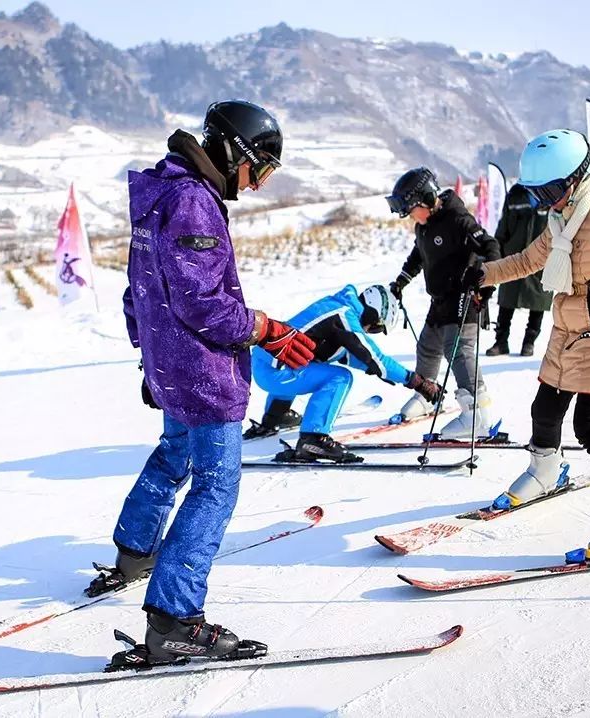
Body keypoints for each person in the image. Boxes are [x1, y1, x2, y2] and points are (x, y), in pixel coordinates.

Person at [104, 100, 316, 663]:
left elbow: (137, 292)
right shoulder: (194, 202)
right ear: (234, 153)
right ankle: (175, 617)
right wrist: (263, 327)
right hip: (202, 371)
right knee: (216, 484)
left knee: (175, 451)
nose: (258, 184)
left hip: (171, 365)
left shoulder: (159, 195)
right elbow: (204, 304)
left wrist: (153, 356)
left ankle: (135, 548)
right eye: (260, 169)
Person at [467, 128, 590, 561]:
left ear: (576, 179)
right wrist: (484, 273)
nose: (545, 203)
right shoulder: (560, 218)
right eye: (538, 194)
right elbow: (527, 260)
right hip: (567, 330)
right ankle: (544, 471)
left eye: (551, 192)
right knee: (544, 408)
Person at [250, 284, 445, 462]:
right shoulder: (344, 316)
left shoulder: (337, 308)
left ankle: (276, 416)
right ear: (372, 312)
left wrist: (378, 370)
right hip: (274, 372)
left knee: (306, 363)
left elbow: (352, 356)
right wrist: (417, 382)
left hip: (264, 364)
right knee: (340, 377)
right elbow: (375, 357)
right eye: (376, 327)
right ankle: (313, 439)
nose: (371, 331)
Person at [386, 167, 502, 439]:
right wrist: (401, 280)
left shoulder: (458, 219)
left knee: (459, 351)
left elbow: (491, 246)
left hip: (464, 296)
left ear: (427, 198)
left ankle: (477, 415)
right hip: (439, 299)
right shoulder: (423, 226)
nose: (410, 216)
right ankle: (427, 395)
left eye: (412, 208)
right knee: (427, 346)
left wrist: (486, 284)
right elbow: (419, 254)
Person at [485, 184, 551, 357]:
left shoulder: (552, 194)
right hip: (513, 258)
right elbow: (502, 229)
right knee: (506, 301)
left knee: (539, 302)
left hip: (542, 260)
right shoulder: (515, 195)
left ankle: (529, 342)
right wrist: (495, 255)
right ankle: (500, 342)